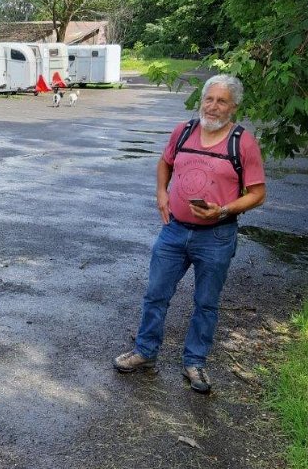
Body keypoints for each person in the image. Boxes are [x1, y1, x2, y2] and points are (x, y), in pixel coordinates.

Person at [113, 75, 266, 393]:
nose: (213, 106)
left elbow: (257, 194)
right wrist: (161, 193)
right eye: (209, 99)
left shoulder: (243, 143)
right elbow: (165, 163)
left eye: (221, 101)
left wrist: (223, 210)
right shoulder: (183, 131)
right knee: (156, 295)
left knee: (206, 304)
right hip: (174, 231)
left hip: (217, 236)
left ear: (233, 107)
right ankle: (144, 351)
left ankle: (194, 363)